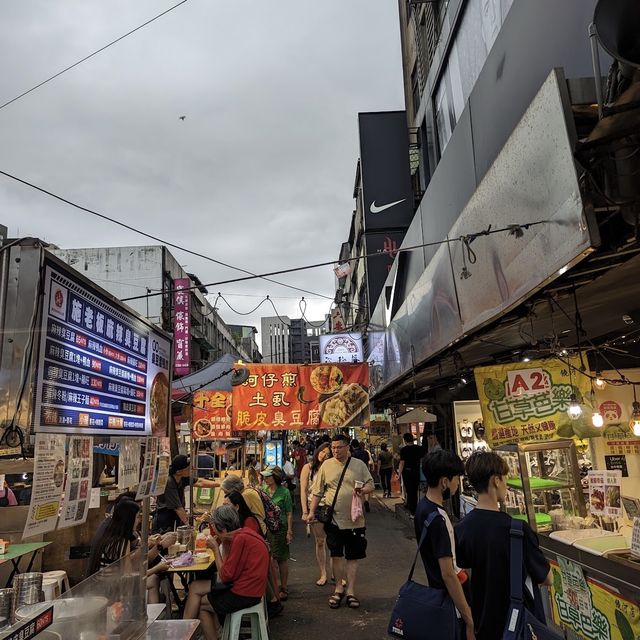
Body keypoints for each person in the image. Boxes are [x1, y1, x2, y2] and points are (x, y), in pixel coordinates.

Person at [456, 452, 552, 640]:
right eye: (505, 477)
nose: (506, 484)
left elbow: (463, 572)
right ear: (496, 480)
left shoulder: (462, 529)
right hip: (520, 627)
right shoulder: (517, 529)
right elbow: (547, 578)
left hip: (482, 622)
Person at [306, 434, 374, 610]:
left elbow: (370, 484)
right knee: (336, 555)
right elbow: (318, 491)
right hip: (333, 519)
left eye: (339, 447)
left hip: (355, 520)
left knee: (353, 556)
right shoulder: (326, 466)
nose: (335, 451)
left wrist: (363, 490)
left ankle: (351, 591)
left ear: (347, 447)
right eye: (333, 448)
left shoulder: (358, 465)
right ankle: (338, 589)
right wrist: (311, 512)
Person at [183, 505, 270, 640]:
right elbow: (229, 568)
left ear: (222, 528)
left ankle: (184, 634)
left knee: (201, 605)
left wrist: (216, 549)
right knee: (196, 587)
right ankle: (213, 633)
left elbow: (225, 576)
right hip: (251, 588)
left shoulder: (240, 539)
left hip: (245, 593)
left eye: (214, 528)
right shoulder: (244, 533)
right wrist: (223, 540)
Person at [414, 449, 474, 640]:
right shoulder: (439, 518)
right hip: (451, 599)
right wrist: (469, 618)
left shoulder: (422, 507)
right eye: (456, 478)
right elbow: (448, 573)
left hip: (437, 593)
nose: (458, 483)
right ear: (445, 482)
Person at [299, 442, 332, 586]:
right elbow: (303, 490)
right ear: (318, 451)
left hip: (330, 506)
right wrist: (305, 511)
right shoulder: (308, 467)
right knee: (320, 541)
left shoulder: (331, 467)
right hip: (315, 507)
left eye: (328, 453)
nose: (324, 455)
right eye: (323, 452)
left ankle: (337, 573)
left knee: (334, 542)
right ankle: (323, 573)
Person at [261, 465, 293, 601]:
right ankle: (275, 586)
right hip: (267, 529)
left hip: (281, 528)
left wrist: (289, 532)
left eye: (268, 476)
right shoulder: (263, 490)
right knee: (271, 558)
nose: (265, 479)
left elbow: (289, 513)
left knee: (281, 558)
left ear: (275, 477)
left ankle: (284, 587)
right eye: (265, 476)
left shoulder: (285, 492)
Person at [154, 454, 191, 531]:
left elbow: (199, 482)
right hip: (165, 520)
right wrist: (188, 526)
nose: (190, 470)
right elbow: (178, 508)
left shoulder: (181, 478)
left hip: (174, 517)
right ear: (179, 472)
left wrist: (220, 484)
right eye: (188, 469)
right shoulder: (169, 482)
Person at [398, 432, 425, 515]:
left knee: (409, 491)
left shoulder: (403, 450)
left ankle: (412, 510)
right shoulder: (419, 448)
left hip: (407, 472)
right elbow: (423, 459)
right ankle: (415, 508)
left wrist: (399, 474)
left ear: (405, 440)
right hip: (416, 471)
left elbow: (402, 462)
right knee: (415, 490)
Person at [350, 440, 373, 512]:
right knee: (366, 486)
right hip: (365, 470)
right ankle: (366, 501)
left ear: (353, 446)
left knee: (359, 488)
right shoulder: (365, 452)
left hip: (356, 473)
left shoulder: (353, 454)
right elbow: (369, 461)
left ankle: (361, 504)